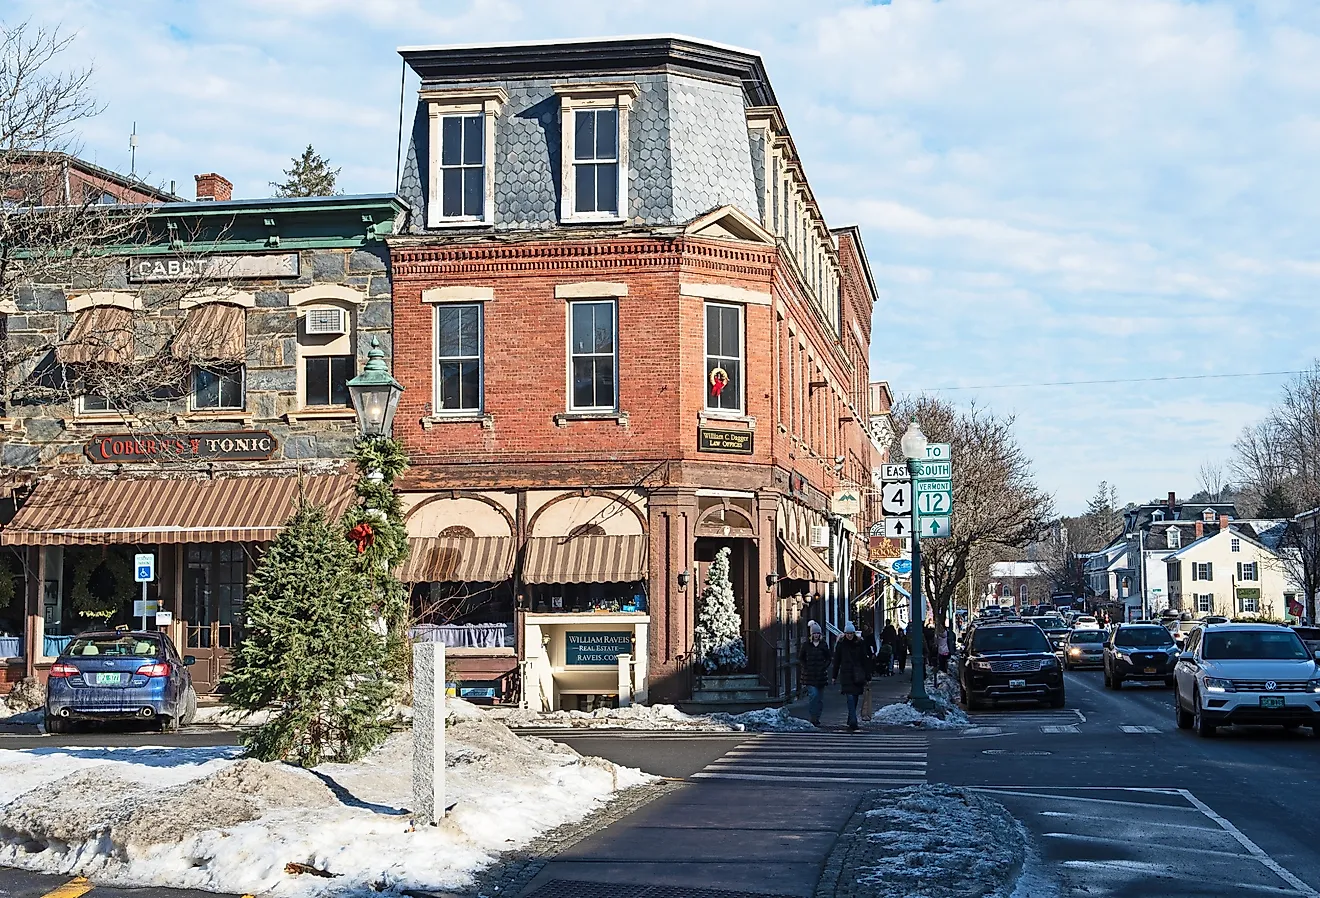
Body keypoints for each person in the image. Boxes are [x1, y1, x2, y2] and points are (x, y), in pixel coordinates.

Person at [832, 620, 874, 732]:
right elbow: (837, 661)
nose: (849, 635)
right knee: (850, 697)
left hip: (858, 675)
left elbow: (865, 660)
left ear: (854, 633)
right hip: (846, 674)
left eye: (851, 633)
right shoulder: (841, 645)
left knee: (854, 697)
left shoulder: (860, 644)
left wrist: (868, 675)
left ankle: (851, 717)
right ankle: (853, 721)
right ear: (845, 634)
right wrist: (834, 676)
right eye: (847, 633)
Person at [798, 620, 831, 727]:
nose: (816, 635)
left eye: (818, 633)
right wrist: (805, 667)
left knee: (820, 698)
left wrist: (824, 667)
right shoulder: (806, 645)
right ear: (811, 635)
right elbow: (801, 658)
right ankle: (813, 717)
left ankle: (817, 717)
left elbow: (828, 658)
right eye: (814, 633)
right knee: (813, 695)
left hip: (821, 676)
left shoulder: (823, 645)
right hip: (809, 676)